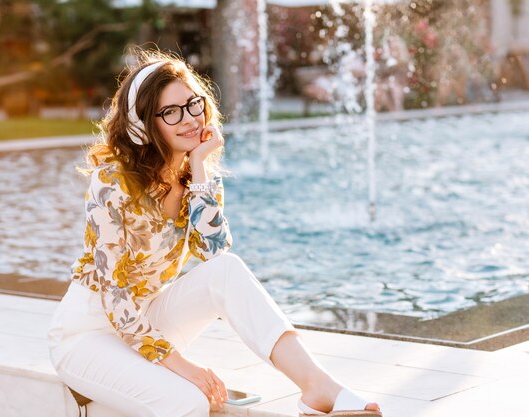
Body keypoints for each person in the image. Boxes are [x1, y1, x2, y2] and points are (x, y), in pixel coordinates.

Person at [47, 50, 382, 417]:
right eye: (170, 112)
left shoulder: (194, 176)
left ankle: (317, 386)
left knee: (228, 270)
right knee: (187, 400)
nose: (190, 119)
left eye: (193, 104)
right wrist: (185, 368)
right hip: (88, 335)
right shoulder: (112, 182)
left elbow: (213, 252)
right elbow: (115, 299)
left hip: (147, 322)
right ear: (144, 124)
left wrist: (200, 165)